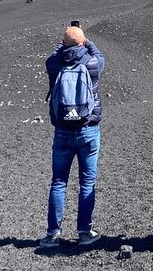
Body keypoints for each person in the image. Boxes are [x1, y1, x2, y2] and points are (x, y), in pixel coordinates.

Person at [40, 26, 105, 248]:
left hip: (62, 133)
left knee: (58, 182)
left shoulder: (54, 65)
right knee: (87, 182)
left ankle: (52, 234)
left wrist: (64, 43)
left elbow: (54, 54)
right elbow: (99, 55)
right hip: (88, 131)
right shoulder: (92, 64)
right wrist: (84, 39)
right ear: (83, 42)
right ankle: (84, 231)